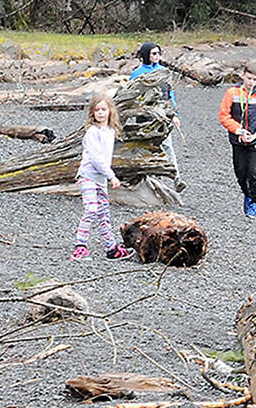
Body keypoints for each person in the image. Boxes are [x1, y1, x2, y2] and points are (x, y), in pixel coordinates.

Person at [72, 93, 135, 261]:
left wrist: (106, 176)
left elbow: (106, 156)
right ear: (92, 113)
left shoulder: (110, 131)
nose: (100, 113)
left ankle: (111, 248)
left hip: (100, 179)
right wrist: (111, 176)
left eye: (103, 109)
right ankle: (80, 246)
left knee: (104, 214)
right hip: (88, 176)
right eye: (97, 110)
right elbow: (96, 158)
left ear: (110, 111)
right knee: (91, 209)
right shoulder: (92, 132)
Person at [218, 61, 256, 218]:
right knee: (240, 172)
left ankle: (254, 202)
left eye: (255, 80)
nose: (251, 82)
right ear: (243, 76)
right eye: (249, 78)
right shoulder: (232, 93)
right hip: (237, 139)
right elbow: (224, 115)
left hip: (255, 139)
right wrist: (238, 130)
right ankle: (247, 194)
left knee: (253, 172)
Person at [130, 41, 183, 187]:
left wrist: (174, 114)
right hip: (144, 116)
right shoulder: (137, 73)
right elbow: (131, 95)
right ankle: (148, 180)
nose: (157, 56)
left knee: (167, 146)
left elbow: (170, 94)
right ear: (146, 55)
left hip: (163, 116)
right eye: (154, 53)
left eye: (159, 53)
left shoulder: (164, 71)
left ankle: (176, 177)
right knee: (145, 147)